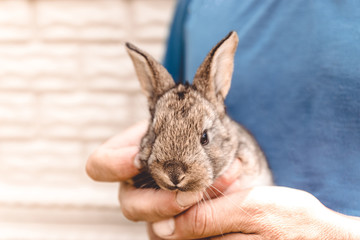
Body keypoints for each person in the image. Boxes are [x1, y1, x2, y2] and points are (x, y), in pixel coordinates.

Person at [87, 0, 360, 239]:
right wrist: (140, 183)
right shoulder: (195, 3)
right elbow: (178, 106)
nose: (176, 174)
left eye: (203, 138)